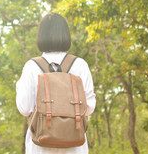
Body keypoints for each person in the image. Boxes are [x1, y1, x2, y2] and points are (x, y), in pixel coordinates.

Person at [16, 12, 96, 154]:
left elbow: (25, 108)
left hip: (40, 147)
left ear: (41, 36)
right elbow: (88, 108)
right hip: (75, 147)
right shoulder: (80, 65)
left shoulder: (32, 66)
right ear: (65, 35)